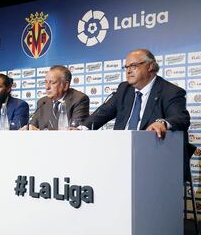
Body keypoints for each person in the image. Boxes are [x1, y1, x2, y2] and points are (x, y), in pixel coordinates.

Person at [82, 48, 191, 180]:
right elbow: (103, 113)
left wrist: (162, 123)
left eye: (133, 66)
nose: (128, 71)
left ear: (150, 66)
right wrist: (81, 129)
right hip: (119, 156)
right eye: (126, 67)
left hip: (153, 159)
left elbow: (181, 118)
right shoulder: (124, 89)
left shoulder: (170, 91)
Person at [27, 65, 89, 130]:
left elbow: (74, 131)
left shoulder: (79, 99)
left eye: (52, 83)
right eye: (45, 82)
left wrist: (41, 132)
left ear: (65, 85)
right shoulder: (42, 102)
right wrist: (28, 128)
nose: (47, 87)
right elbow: (33, 126)